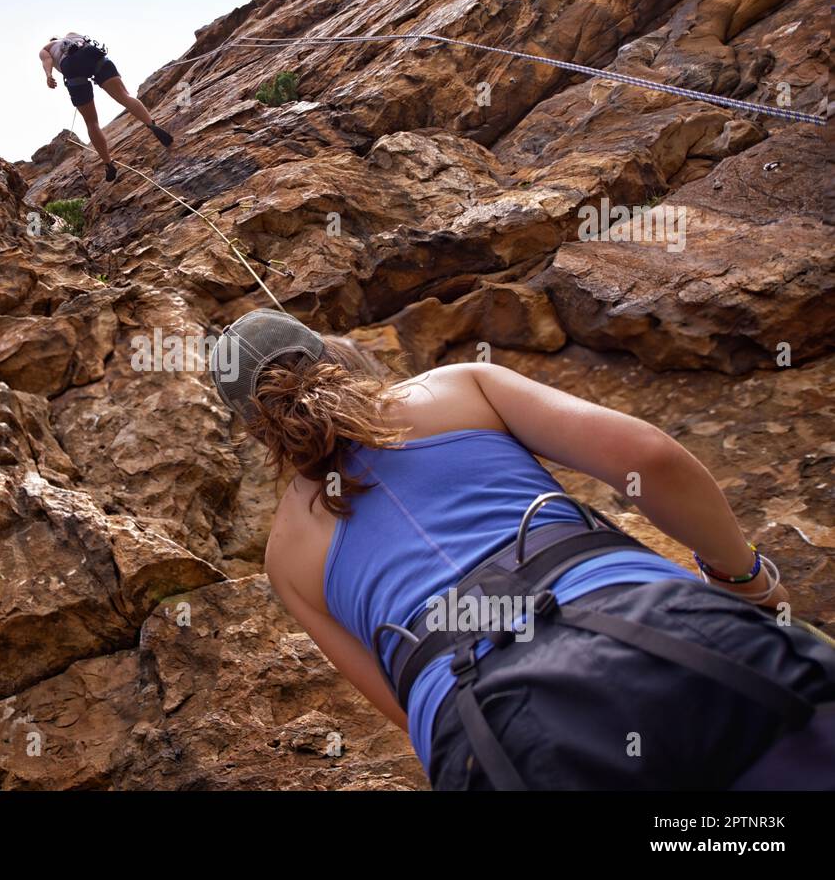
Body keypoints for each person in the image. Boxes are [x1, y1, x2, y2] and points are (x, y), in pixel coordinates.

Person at [208, 308, 835, 789]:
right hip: (644, 623)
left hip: (494, 737)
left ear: (254, 425)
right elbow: (650, 460)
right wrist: (746, 579)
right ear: (328, 353)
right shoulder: (459, 389)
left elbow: (404, 709)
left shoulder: (285, 559)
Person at [40, 33, 173, 183]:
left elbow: (47, 60)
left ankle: (108, 163)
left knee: (91, 122)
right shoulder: (71, 34)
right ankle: (151, 124)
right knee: (124, 96)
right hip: (91, 54)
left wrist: (49, 75)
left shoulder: (46, 49)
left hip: (71, 68)